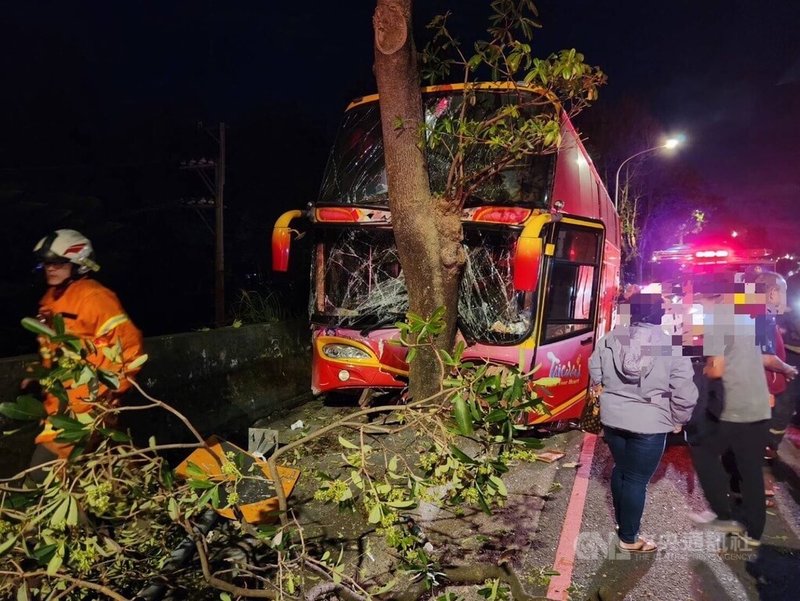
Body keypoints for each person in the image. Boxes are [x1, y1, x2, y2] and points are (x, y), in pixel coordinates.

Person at [589, 292, 698, 553]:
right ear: (659, 314)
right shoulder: (668, 345)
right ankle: (629, 537)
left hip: (613, 419)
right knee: (636, 479)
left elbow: (595, 369)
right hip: (651, 422)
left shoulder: (614, 337)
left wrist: (605, 389)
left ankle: (623, 522)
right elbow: (685, 391)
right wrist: (679, 419)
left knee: (621, 469)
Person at [28, 229, 143, 465]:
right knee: (93, 473)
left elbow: (130, 347)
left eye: (59, 263)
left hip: (85, 408)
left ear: (78, 263)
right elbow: (54, 347)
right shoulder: (51, 298)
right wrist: (37, 376)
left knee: (41, 475)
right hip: (60, 404)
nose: (51, 268)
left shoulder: (94, 297)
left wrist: (108, 393)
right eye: (47, 263)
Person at [687, 280, 772, 548]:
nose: (699, 304)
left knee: (702, 449)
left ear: (716, 297)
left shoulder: (719, 320)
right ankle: (754, 532)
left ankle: (722, 513)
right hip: (758, 406)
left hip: (734, 408)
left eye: (701, 299)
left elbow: (717, 369)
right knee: (750, 470)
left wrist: (703, 369)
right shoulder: (746, 320)